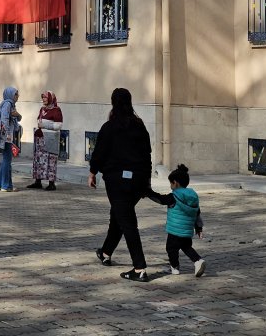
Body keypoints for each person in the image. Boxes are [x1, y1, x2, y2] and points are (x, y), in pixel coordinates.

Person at [88, 87, 154, 283]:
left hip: (117, 181)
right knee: (118, 216)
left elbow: (99, 152)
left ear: (113, 103)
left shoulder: (109, 127)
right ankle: (106, 252)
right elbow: (147, 155)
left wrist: (92, 172)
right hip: (136, 181)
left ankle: (139, 267)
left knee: (127, 221)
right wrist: (146, 182)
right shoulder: (139, 126)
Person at [147, 165, 207, 277]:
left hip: (175, 231)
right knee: (186, 247)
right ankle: (198, 261)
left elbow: (161, 199)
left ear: (175, 183)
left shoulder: (174, 196)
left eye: (171, 183)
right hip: (187, 231)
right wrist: (198, 228)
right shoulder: (193, 196)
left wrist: (148, 192)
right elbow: (197, 213)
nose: (170, 186)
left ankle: (175, 268)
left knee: (171, 249)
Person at [27, 91, 63, 190]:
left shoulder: (56, 110)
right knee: (39, 160)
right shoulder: (42, 109)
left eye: (46, 98)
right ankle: (38, 181)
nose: (43, 99)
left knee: (50, 160)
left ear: (51, 98)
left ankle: (51, 183)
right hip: (40, 138)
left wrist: (45, 125)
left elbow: (59, 125)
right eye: (43, 97)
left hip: (50, 139)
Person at [0, 87, 22, 192]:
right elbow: (4, 119)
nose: (18, 96)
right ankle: (6, 185)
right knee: (7, 160)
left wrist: (17, 115)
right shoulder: (8, 104)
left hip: (7, 135)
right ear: (10, 95)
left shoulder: (11, 105)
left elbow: (18, 118)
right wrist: (8, 133)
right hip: (6, 136)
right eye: (16, 94)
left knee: (5, 160)